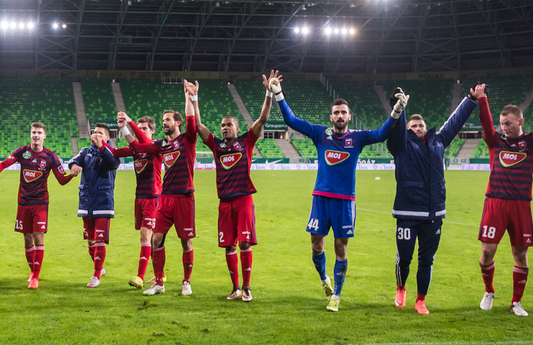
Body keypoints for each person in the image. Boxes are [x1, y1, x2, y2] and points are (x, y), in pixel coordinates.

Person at [269, 77, 405, 312]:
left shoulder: (358, 138)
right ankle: (324, 279)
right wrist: (278, 93)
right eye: (336, 113)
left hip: (345, 202)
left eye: (343, 113)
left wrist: (396, 111)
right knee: (316, 246)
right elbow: (291, 120)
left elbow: (382, 133)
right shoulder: (320, 134)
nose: (340, 116)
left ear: (349, 117)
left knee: (341, 248)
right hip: (320, 198)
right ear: (331, 117)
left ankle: (337, 295)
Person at [386, 84, 482, 314]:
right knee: (404, 258)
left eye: (421, 125)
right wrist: (398, 108)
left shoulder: (438, 141)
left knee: (426, 260)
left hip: (433, 213)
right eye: (413, 126)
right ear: (407, 129)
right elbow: (396, 129)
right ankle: (401, 288)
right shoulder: (401, 144)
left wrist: (471, 99)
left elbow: (454, 122)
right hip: (408, 212)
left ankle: (421, 300)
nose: (418, 128)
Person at [191, 75, 273, 302]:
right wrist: (194, 98)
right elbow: (198, 126)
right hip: (224, 202)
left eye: (229, 125)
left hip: (244, 199)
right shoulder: (216, 145)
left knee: (244, 242)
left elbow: (263, 118)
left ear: (237, 128)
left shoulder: (247, 141)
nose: (225, 128)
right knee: (228, 245)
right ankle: (235, 288)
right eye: (222, 125)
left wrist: (269, 93)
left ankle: (247, 288)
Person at [476, 81, 533, 316]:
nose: (504, 127)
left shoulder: (532, 143)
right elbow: (486, 124)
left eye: (508, 123)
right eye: (501, 123)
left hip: (520, 204)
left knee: (520, 254)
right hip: (495, 202)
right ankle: (489, 291)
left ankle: (516, 302)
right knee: (487, 252)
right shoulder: (495, 141)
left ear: (520, 121)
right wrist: (482, 99)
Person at [121, 83, 199, 296]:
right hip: (165, 198)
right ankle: (158, 283)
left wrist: (189, 97)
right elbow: (138, 146)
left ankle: (186, 282)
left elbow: (191, 120)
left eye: (168, 120)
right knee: (156, 239)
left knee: (186, 242)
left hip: (184, 197)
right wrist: (127, 126)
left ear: (177, 123)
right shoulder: (161, 145)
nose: (164, 123)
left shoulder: (188, 140)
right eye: (163, 120)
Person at [0, 122, 78, 289]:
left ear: (44, 136)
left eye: (39, 133)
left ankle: (35, 276)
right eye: (34, 132)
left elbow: (61, 180)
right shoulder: (22, 152)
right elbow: (4, 163)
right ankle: (32, 271)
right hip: (23, 202)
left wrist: (71, 175)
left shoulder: (51, 157)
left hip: (40, 202)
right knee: (27, 238)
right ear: (30, 135)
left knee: (38, 237)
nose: (36, 135)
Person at [111, 114, 163, 288]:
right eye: (139, 129)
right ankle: (160, 275)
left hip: (153, 196)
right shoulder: (135, 149)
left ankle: (140, 276)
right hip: (139, 196)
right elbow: (115, 153)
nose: (142, 131)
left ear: (153, 130)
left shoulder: (156, 145)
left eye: (145, 128)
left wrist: (128, 124)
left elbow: (142, 142)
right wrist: (101, 143)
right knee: (152, 238)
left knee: (145, 234)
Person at [68, 123, 120, 287]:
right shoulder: (85, 151)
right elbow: (74, 160)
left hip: (103, 201)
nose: (96, 134)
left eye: (100, 133)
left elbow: (112, 163)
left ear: (107, 137)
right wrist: (74, 166)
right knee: (90, 242)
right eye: (94, 132)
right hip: (86, 201)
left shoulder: (112, 152)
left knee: (99, 240)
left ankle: (96, 275)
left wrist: (101, 147)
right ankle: (100, 268)